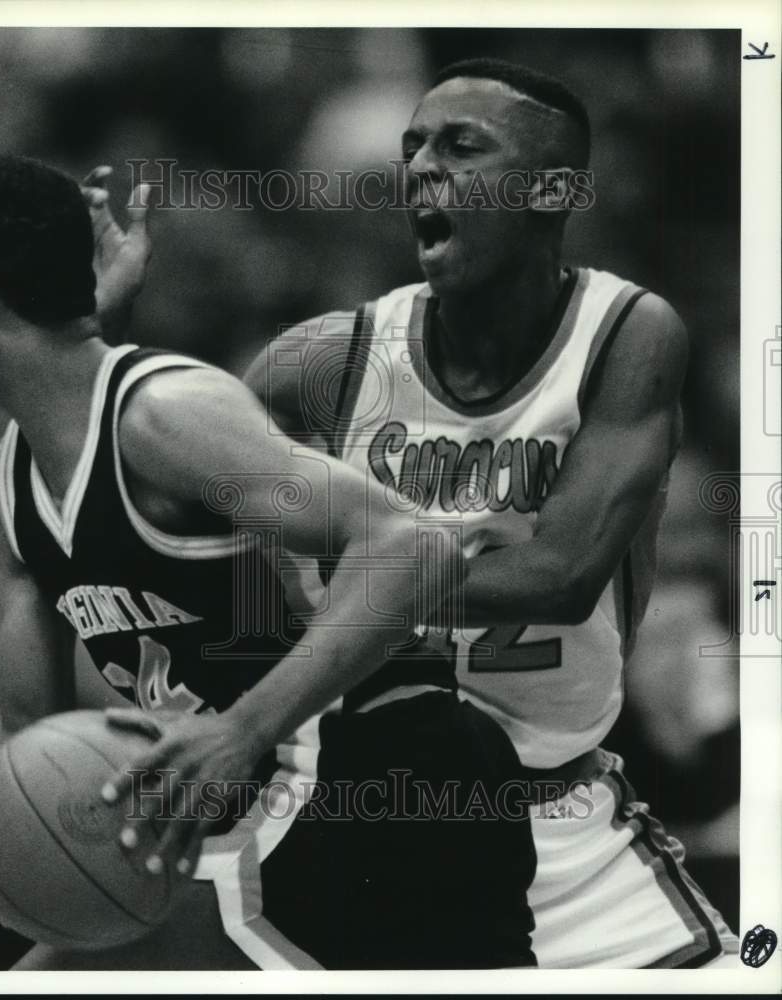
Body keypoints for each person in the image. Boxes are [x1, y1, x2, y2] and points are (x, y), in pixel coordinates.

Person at [0, 154, 537, 970]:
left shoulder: (164, 416)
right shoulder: (5, 497)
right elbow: (34, 745)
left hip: (390, 762)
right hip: (264, 803)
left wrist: (244, 728)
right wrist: (16, 852)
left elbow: (416, 546)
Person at [242, 58, 738, 968]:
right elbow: (185, 501)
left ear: (552, 189)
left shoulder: (626, 332)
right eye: (412, 147)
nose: (422, 167)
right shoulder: (329, 357)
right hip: (354, 805)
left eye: (462, 146)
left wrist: (366, 578)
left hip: (555, 812)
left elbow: (560, 577)